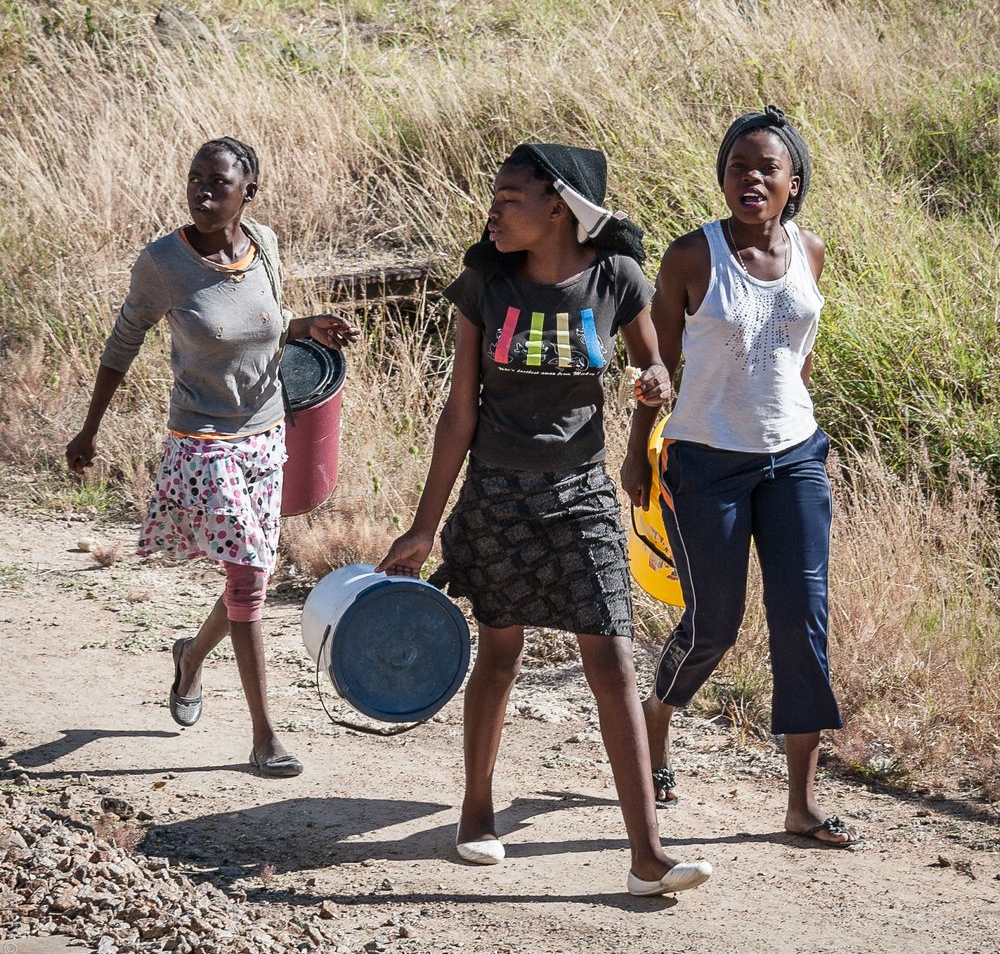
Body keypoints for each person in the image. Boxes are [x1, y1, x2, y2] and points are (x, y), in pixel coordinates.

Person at [378, 142, 712, 896]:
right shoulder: (483, 286)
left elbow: (654, 364)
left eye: (507, 198)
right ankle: (475, 811)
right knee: (499, 657)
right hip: (497, 495)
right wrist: (426, 524)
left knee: (613, 660)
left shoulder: (614, 277)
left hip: (581, 496)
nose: (492, 211)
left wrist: (655, 379)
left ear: (557, 206)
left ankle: (646, 855)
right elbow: (459, 413)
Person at [66, 137, 358, 778]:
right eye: (195, 180)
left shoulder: (265, 244)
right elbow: (122, 345)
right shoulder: (163, 264)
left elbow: (266, 318)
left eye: (217, 184)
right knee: (253, 578)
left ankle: (190, 659)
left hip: (267, 433)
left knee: (248, 579)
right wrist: (88, 431)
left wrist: (304, 324)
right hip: (202, 440)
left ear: (245, 192)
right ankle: (264, 738)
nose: (202, 193)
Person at [633, 105, 861, 846]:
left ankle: (800, 803)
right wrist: (640, 452)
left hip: (795, 456)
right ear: (723, 179)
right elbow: (655, 367)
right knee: (714, 623)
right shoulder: (691, 258)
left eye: (768, 167)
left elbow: (799, 352)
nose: (751, 178)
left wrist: (786, 422)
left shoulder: (812, 253)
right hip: (705, 463)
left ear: (794, 183)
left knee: (803, 622)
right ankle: (655, 722)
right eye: (738, 167)